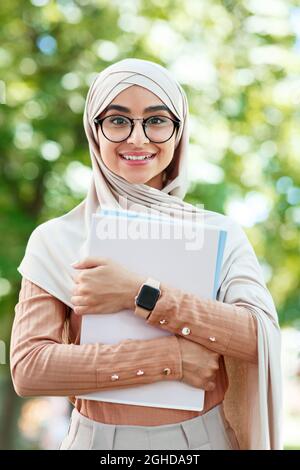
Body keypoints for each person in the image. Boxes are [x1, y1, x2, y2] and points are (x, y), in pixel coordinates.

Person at [10, 58, 282, 450]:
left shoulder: (219, 234)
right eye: (118, 121)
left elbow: (259, 338)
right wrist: (169, 358)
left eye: (156, 120)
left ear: (178, 132)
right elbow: (30, 369)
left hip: (200, 442)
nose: (137, 139)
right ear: (95, 131)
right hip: (95, 442)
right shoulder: (57, 239)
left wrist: (140, 293)